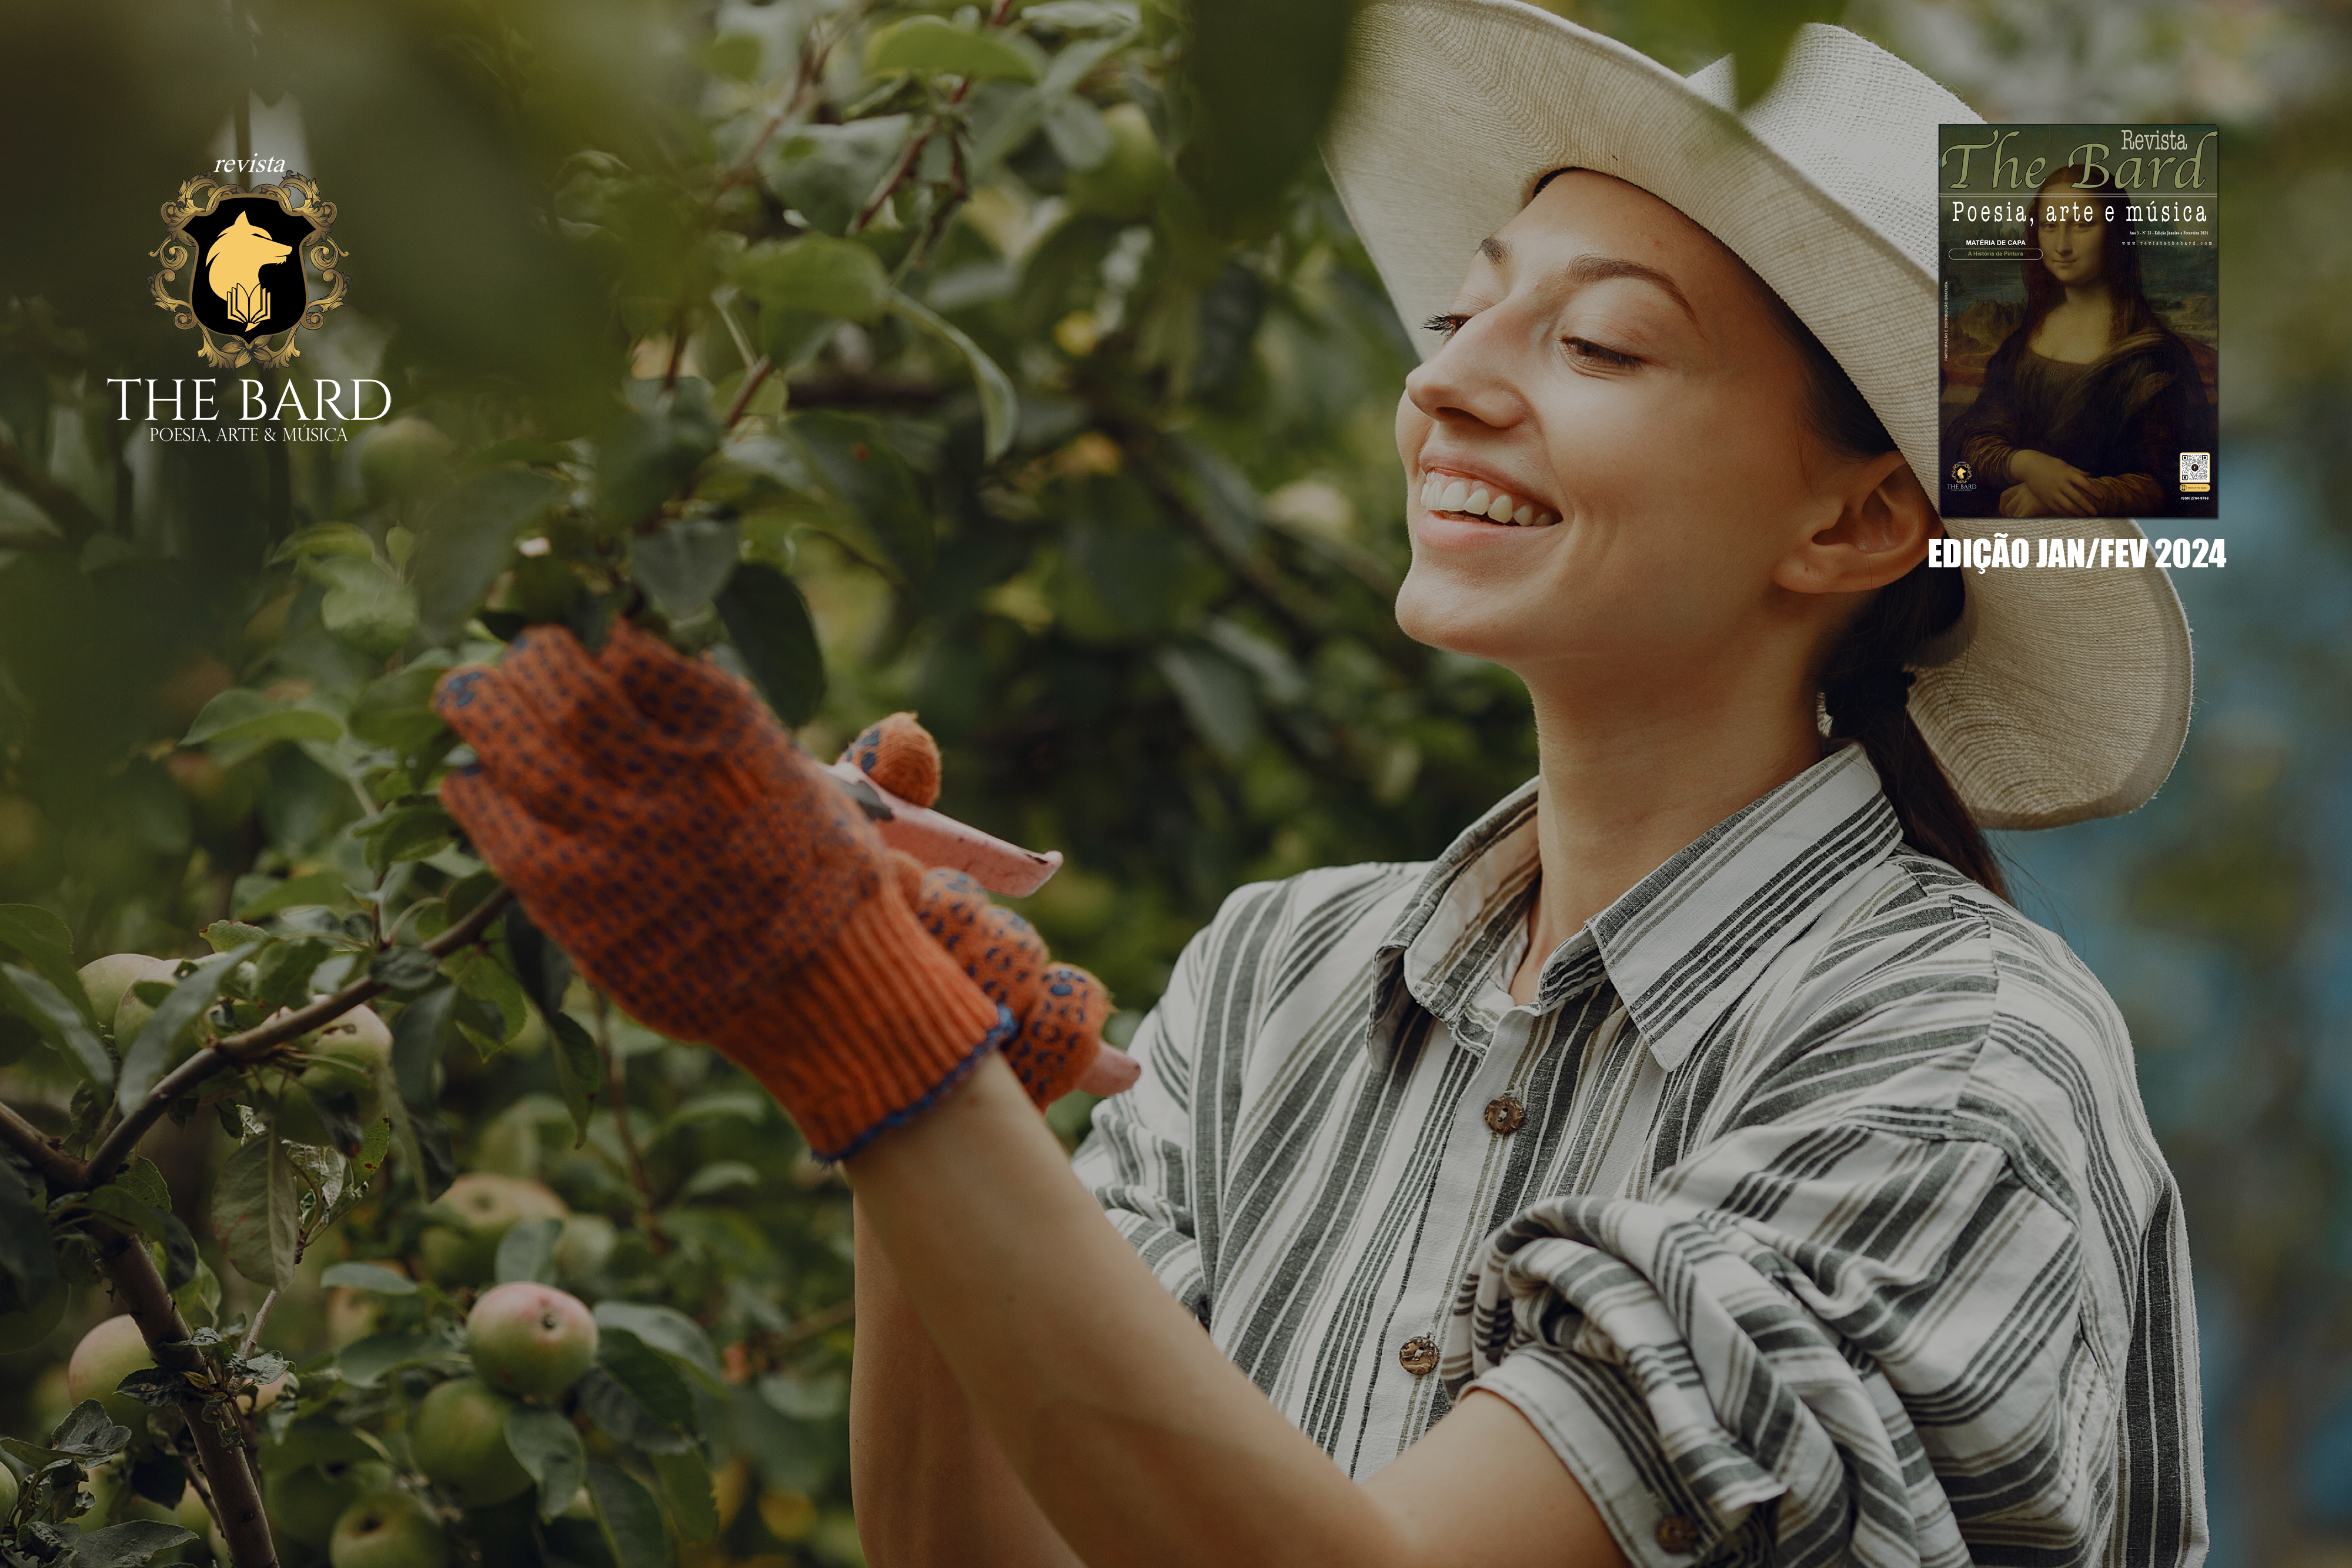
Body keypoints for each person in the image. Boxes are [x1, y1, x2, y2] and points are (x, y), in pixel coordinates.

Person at [430, 4, 2205, 1563]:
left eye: (1592, 346)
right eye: (1459, 314)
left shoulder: (1957, 1074)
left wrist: (881, 1041)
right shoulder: (1276, 980)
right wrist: (905, 1050)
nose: (1438, 384)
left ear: (1858, 518)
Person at [1946, 163, 2217, 519]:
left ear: (2115, 232)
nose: (2062, 245)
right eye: (2049, 226)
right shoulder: (2024, 343)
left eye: (2083, 224)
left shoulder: (2156, 359)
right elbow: (1976, 436)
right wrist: (2026, 465)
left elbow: (2188, 483)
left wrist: (2066, 496)